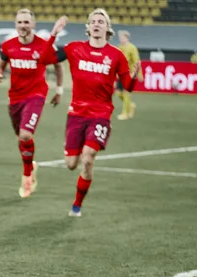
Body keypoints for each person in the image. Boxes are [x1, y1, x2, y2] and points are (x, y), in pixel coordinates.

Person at [40, 11, 141, 217]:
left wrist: (134, 76)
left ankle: (77, 205)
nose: (96, 24)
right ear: (88, 27)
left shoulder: (116, 55)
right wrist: (54, 33)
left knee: (88, 158)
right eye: (93, 21)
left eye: (101, 22)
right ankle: (72, 154)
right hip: (76, 115)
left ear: (107, 28)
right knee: (71, 165)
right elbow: (44, 59)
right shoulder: (74, 48)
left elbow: (128, 87)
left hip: (101, 115)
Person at [0, 8, 64, 198]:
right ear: (16, 25)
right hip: (15, 97)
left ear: (33, 24)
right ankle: (30, 164)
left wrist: (59, 90)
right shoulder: (8, 45)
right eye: (19, 22)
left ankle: (27, 175)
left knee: (25, 135)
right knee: (21, 138)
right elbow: (0, 63)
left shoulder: (43, 45)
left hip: (36, 95)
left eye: (26, 22)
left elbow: (58, 66)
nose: (23, 26)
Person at [116, 30, 143, 120]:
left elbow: (136, 61)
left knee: (126, 93)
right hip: (121, 74)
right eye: (120, 37)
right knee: (118, 93)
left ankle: (125, 113)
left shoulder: (132, 48)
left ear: (127, 38)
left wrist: (139, 74)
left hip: (130, 74)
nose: (120, 39)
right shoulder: (119, 47)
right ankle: (130, 105)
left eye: (122, 37)